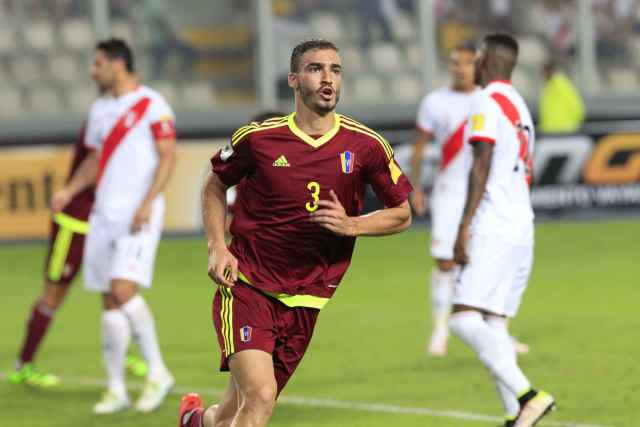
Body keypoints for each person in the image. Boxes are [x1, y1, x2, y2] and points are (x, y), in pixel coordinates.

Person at [178, 39, 413, 427]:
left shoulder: (366, 145)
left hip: (309, 298)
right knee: (261, 396)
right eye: (316, 68)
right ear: (294, 79)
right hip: (249, 284)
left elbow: (402, 213)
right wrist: (217, 247)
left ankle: (194, 421)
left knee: (238, 408)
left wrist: (352, 225)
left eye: (335, 70)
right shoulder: (258, 139)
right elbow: (214, 185)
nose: (328, 78)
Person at [51, 38, 177, 414]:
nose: (93, 71)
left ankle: (157, 372)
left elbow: (168, 158)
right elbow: (94, 158)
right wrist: (70, 190)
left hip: (137, 213)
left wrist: (147, 202)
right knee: (108, 299)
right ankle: (116, 388)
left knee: (123, 289)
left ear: (118, 64)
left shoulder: (152, 104)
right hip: (104, 214)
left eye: (98, 64)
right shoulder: (99, 110)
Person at [450, 33, 555, 427]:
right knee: (493, 324)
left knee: (462, 318)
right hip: (521, 225)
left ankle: (529, 396)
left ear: (485, 59)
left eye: (475, 57)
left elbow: (482, 162)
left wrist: (463, 227)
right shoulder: (520, 105)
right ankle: (517, 416)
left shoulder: (484, 100)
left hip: (492, 223)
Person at [8, 127, 147, 388]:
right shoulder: (102, 120)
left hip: (106, 224)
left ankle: (121, 357)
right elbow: (96, 168)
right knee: (53, 295)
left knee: (116, 293)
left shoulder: (124, 119)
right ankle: (24, 364)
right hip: (76, 224)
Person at [410, 42, 481, 356]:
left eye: (466, 62)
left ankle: (496, 331)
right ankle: (441, 330)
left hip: (484, 192)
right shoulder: (434, 101)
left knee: (484, 261)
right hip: (449, 191)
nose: (460, 68)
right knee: (444, 260)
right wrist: (415, 187)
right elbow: (420, 145)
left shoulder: (487, 99)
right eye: (455, 62)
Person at [538, 59, 585, 134]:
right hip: (552, 132)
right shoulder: (549, 87)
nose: (543, 74)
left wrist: (571, 127)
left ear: (551, 70)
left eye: (545, 71)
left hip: (564, 132)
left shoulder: (561, 85)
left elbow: (578, 109)